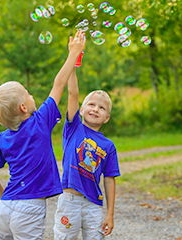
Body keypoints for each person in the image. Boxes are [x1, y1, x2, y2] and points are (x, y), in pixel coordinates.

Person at [0, 30, 86, 240]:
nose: (32, 95)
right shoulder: (40, 122)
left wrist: (5, 198)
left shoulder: (2, 139)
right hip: (29, 207)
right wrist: (73, 54)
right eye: (28, 93)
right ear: (24, 107)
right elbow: (59, 84)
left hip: (5, 207)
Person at [53, 65, 120, 239]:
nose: (95, 109)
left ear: (107, 118)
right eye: (91, 104)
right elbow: (73, 93)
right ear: (81, 110)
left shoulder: (109, 145)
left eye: (101, 108)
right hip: (69, 201)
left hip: (94, 205)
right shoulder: (73, 128)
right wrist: (74, 65)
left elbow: (110, 179)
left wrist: (110, 214)